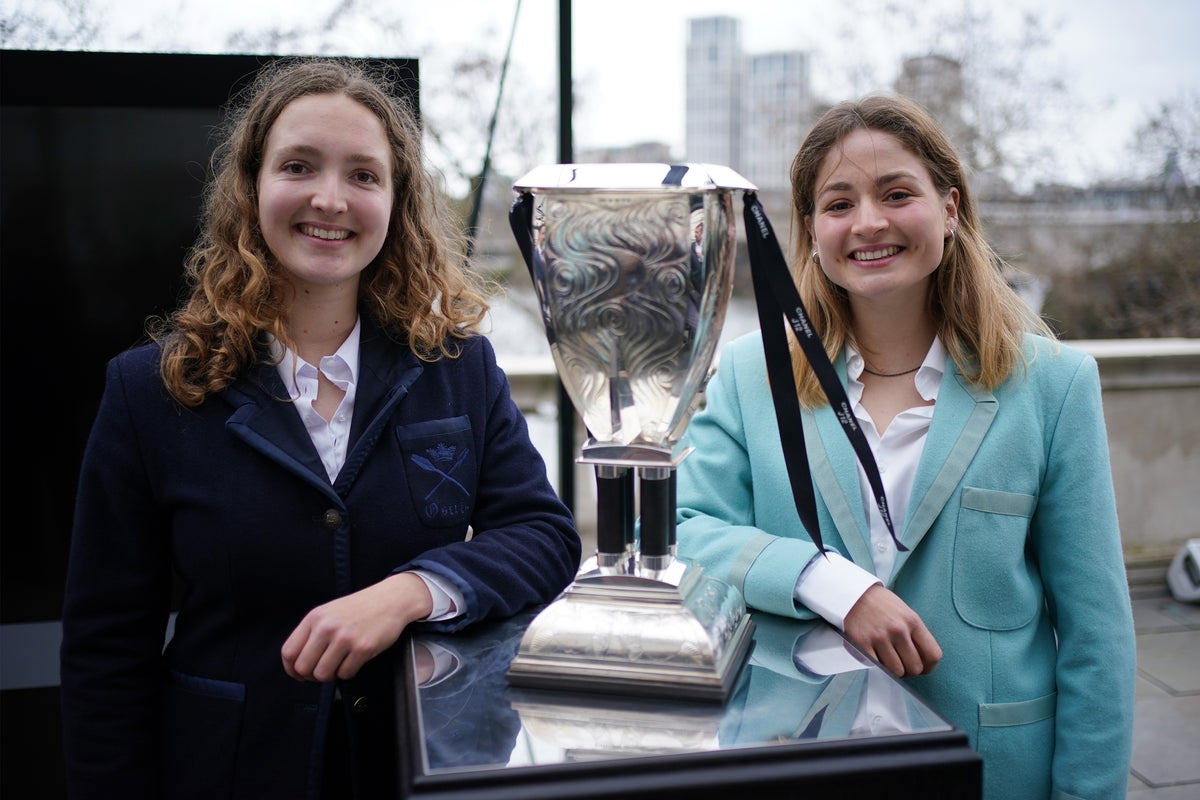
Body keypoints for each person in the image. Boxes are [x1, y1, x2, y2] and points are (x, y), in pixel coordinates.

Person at [59, 56, 581, 800]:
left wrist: (412, 590)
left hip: (423, 768)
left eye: (363, 175)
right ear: (252, 187)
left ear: (396, 202)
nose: (330, 199)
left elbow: (543, 535)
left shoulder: (458, 365)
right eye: (299, 166)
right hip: (228, 775)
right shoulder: (149, 390)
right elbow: (105, 650)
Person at [674, 94, 1135, 800]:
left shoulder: (1055, 386)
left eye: (896, 194)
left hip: (992, 772)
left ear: (949, 209)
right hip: (798, 760)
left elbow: (1096, 636)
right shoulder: (747, 374)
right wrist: (829, 584)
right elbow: (685, 532)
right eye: (838, 204)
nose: (868, 223)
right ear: (810, 230)